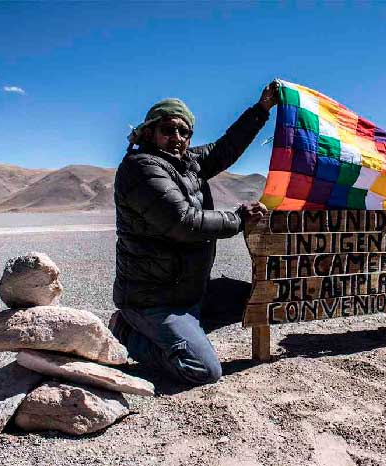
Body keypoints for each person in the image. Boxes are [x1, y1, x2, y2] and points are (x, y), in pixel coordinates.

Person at [109, 82, 278, 385]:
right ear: (150, 133)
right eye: (168, 130)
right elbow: (183, 222)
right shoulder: (141, 168)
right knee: (203, 370)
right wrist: (239, 218)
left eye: (183, 132)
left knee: (254, 300)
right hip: (152, 298)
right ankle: (126, 331)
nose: (176, 138)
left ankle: (184, 332)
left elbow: (225, 149)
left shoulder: (187, 164)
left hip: (188, 291)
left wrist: (261, 110)